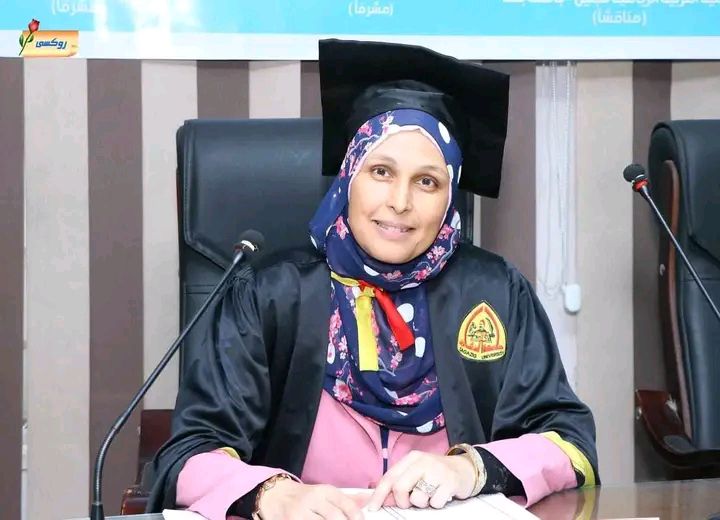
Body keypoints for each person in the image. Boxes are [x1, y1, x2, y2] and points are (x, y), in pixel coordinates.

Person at [147, 39, 598, 520]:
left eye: (427, 181)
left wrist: (472, 468)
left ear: (450, 196)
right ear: (348, 177)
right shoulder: (270, 294)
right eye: (381, 171)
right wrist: (272, 494)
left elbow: (570, 443)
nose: (400, 202)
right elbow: (189, 454)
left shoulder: (494, 292)